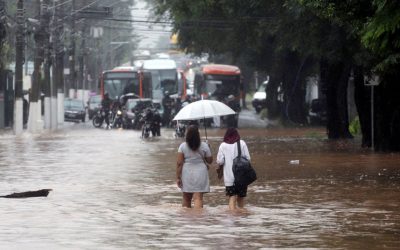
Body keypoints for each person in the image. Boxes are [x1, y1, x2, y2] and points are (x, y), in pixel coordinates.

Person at [176, 125, 212, 208]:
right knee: (198, 198)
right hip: (201, 172)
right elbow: (210, 161)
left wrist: (178, 177)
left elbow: (179, 163)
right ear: (198, 134)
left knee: (186, 197)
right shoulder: (204, 145)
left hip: (187, 173)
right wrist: (208, 148)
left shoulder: (182, 146)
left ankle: (186, 219)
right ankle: (198, 219)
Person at [216, 128, 251, 210]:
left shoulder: (223, 145)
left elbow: (220, 161)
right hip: (242, 177)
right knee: (241, 198)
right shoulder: (242, 143)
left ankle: (232, 218)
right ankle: (241, 218)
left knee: (232, 197)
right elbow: (248, 159)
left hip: (229, 178)